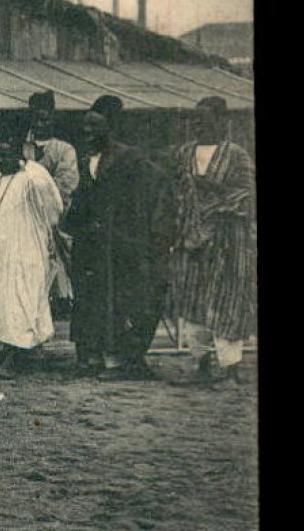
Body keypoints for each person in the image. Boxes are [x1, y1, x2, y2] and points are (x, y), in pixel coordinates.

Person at [62, 103, 164, 380]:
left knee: (118, 300)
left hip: (118, 245)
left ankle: (120, 361)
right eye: (85, 127)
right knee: (90, 299)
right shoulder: (86, 162)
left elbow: (144, 200)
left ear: (110, 127)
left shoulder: (130, 160)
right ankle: (91, 356)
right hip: (91, 244)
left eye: (95, 126)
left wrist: (124, 228)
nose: (88, 132)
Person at [0, 121, 64, 378]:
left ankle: (14, 354)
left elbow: (53, 210)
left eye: (5, 152)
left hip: (24, 251)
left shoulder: (34, 176)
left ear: (19, 151)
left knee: (21, 301)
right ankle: (5, 348)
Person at [167, 97, 256, 384]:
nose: (197, 125)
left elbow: (246, 193)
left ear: (221, 121)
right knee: (193, 299)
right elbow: (174, 191)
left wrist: (212, 195)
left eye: (203, 119)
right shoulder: (183, 153)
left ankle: (230, 369)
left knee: (227, 300)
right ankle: (200, 364)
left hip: (227, 240)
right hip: (192, 240)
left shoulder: (237, 156)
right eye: (194, 120)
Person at [23, 91, 80, 303]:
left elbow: (65, 185)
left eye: (45, 118)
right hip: (23, 220)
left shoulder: (64, 150)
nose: (40, 123)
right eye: (36, 118)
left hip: (53, 220)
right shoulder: (21, 148)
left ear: (52, 118)